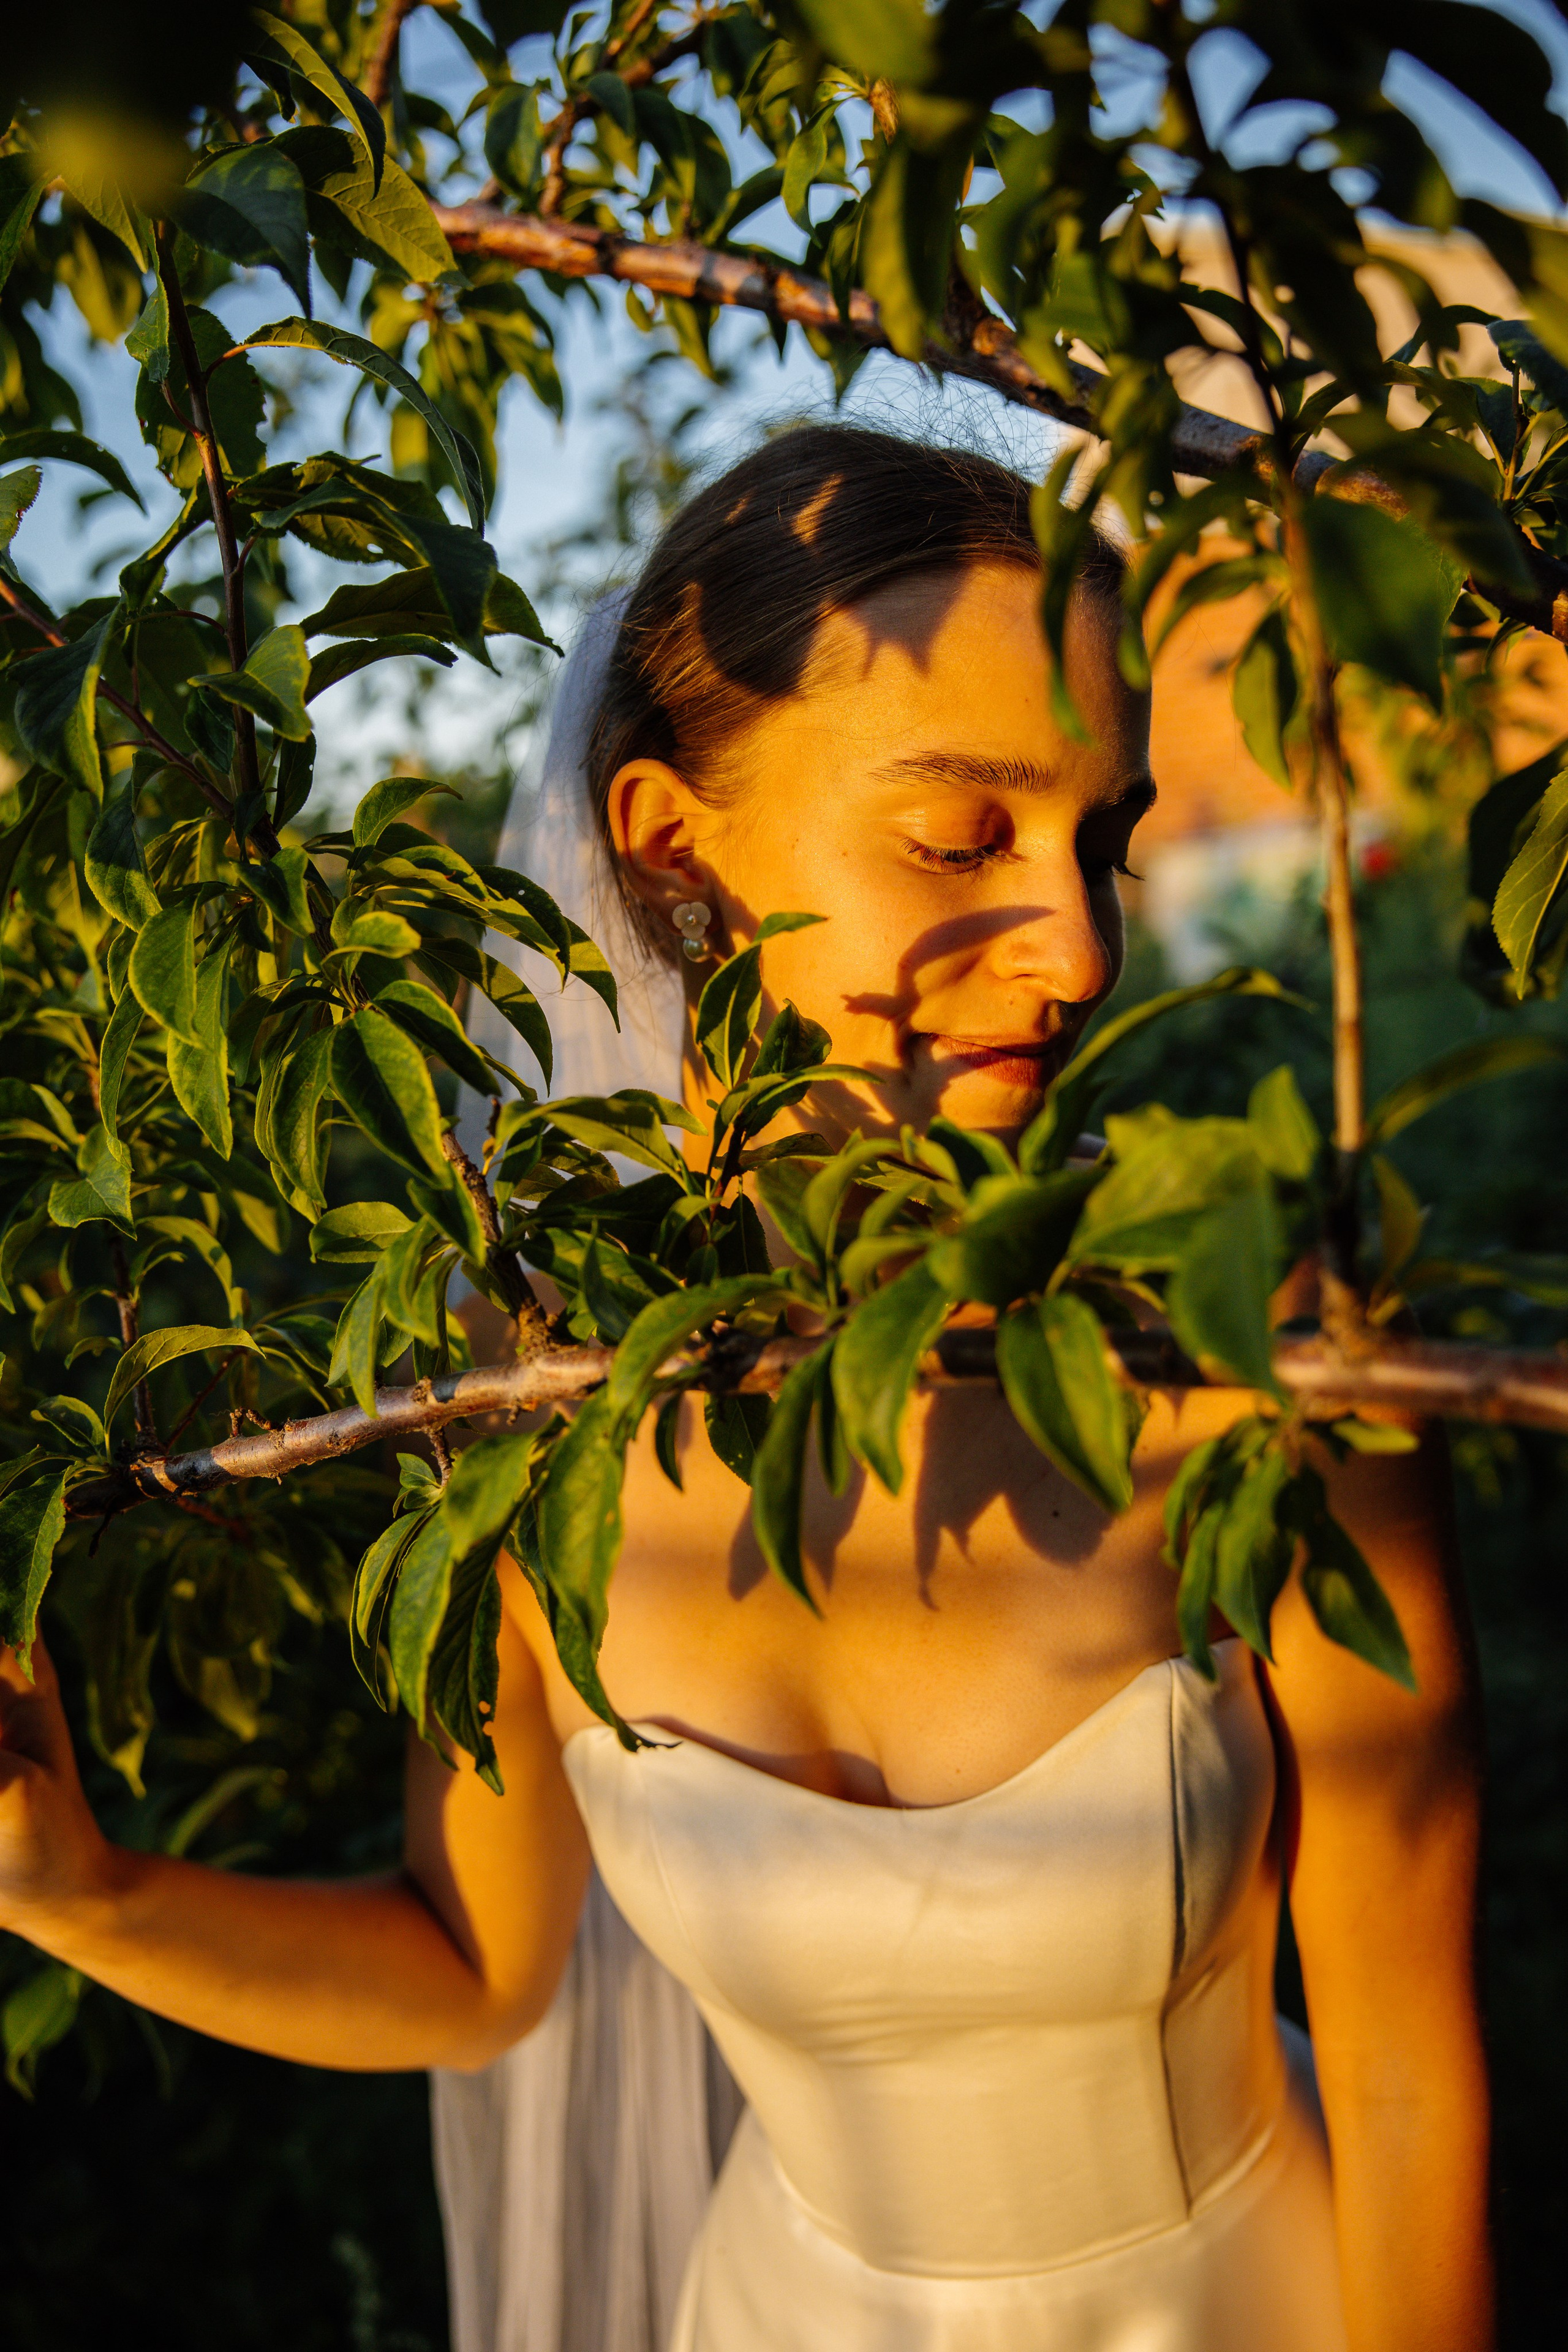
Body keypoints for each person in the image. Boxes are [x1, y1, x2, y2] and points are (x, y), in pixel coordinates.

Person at [0, 426, 1490, 2352]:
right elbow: (477, 1975)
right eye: (963, 836)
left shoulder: (1249, 1358)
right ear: (669, 839)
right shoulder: (546, 1399)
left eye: (1100, 835)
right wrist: (81, 1893)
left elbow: (1399, 2069)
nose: (1082, 944)